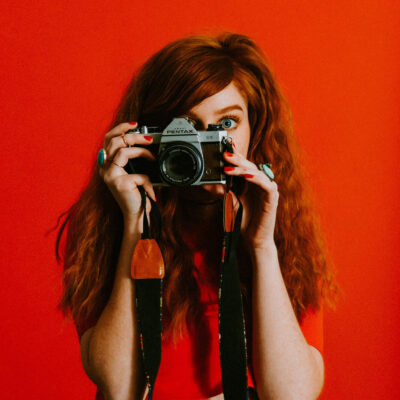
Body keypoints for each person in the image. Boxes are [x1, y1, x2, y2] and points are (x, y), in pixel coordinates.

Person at [55, 31, 339, 400]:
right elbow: (119, 388)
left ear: (255, 127)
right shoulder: (104, 223)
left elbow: (292, 395)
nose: (207, 143)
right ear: (150, 134)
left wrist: (262, 247)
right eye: (187, 127)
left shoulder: (281, 223)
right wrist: (136, 227)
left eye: (227, 124)